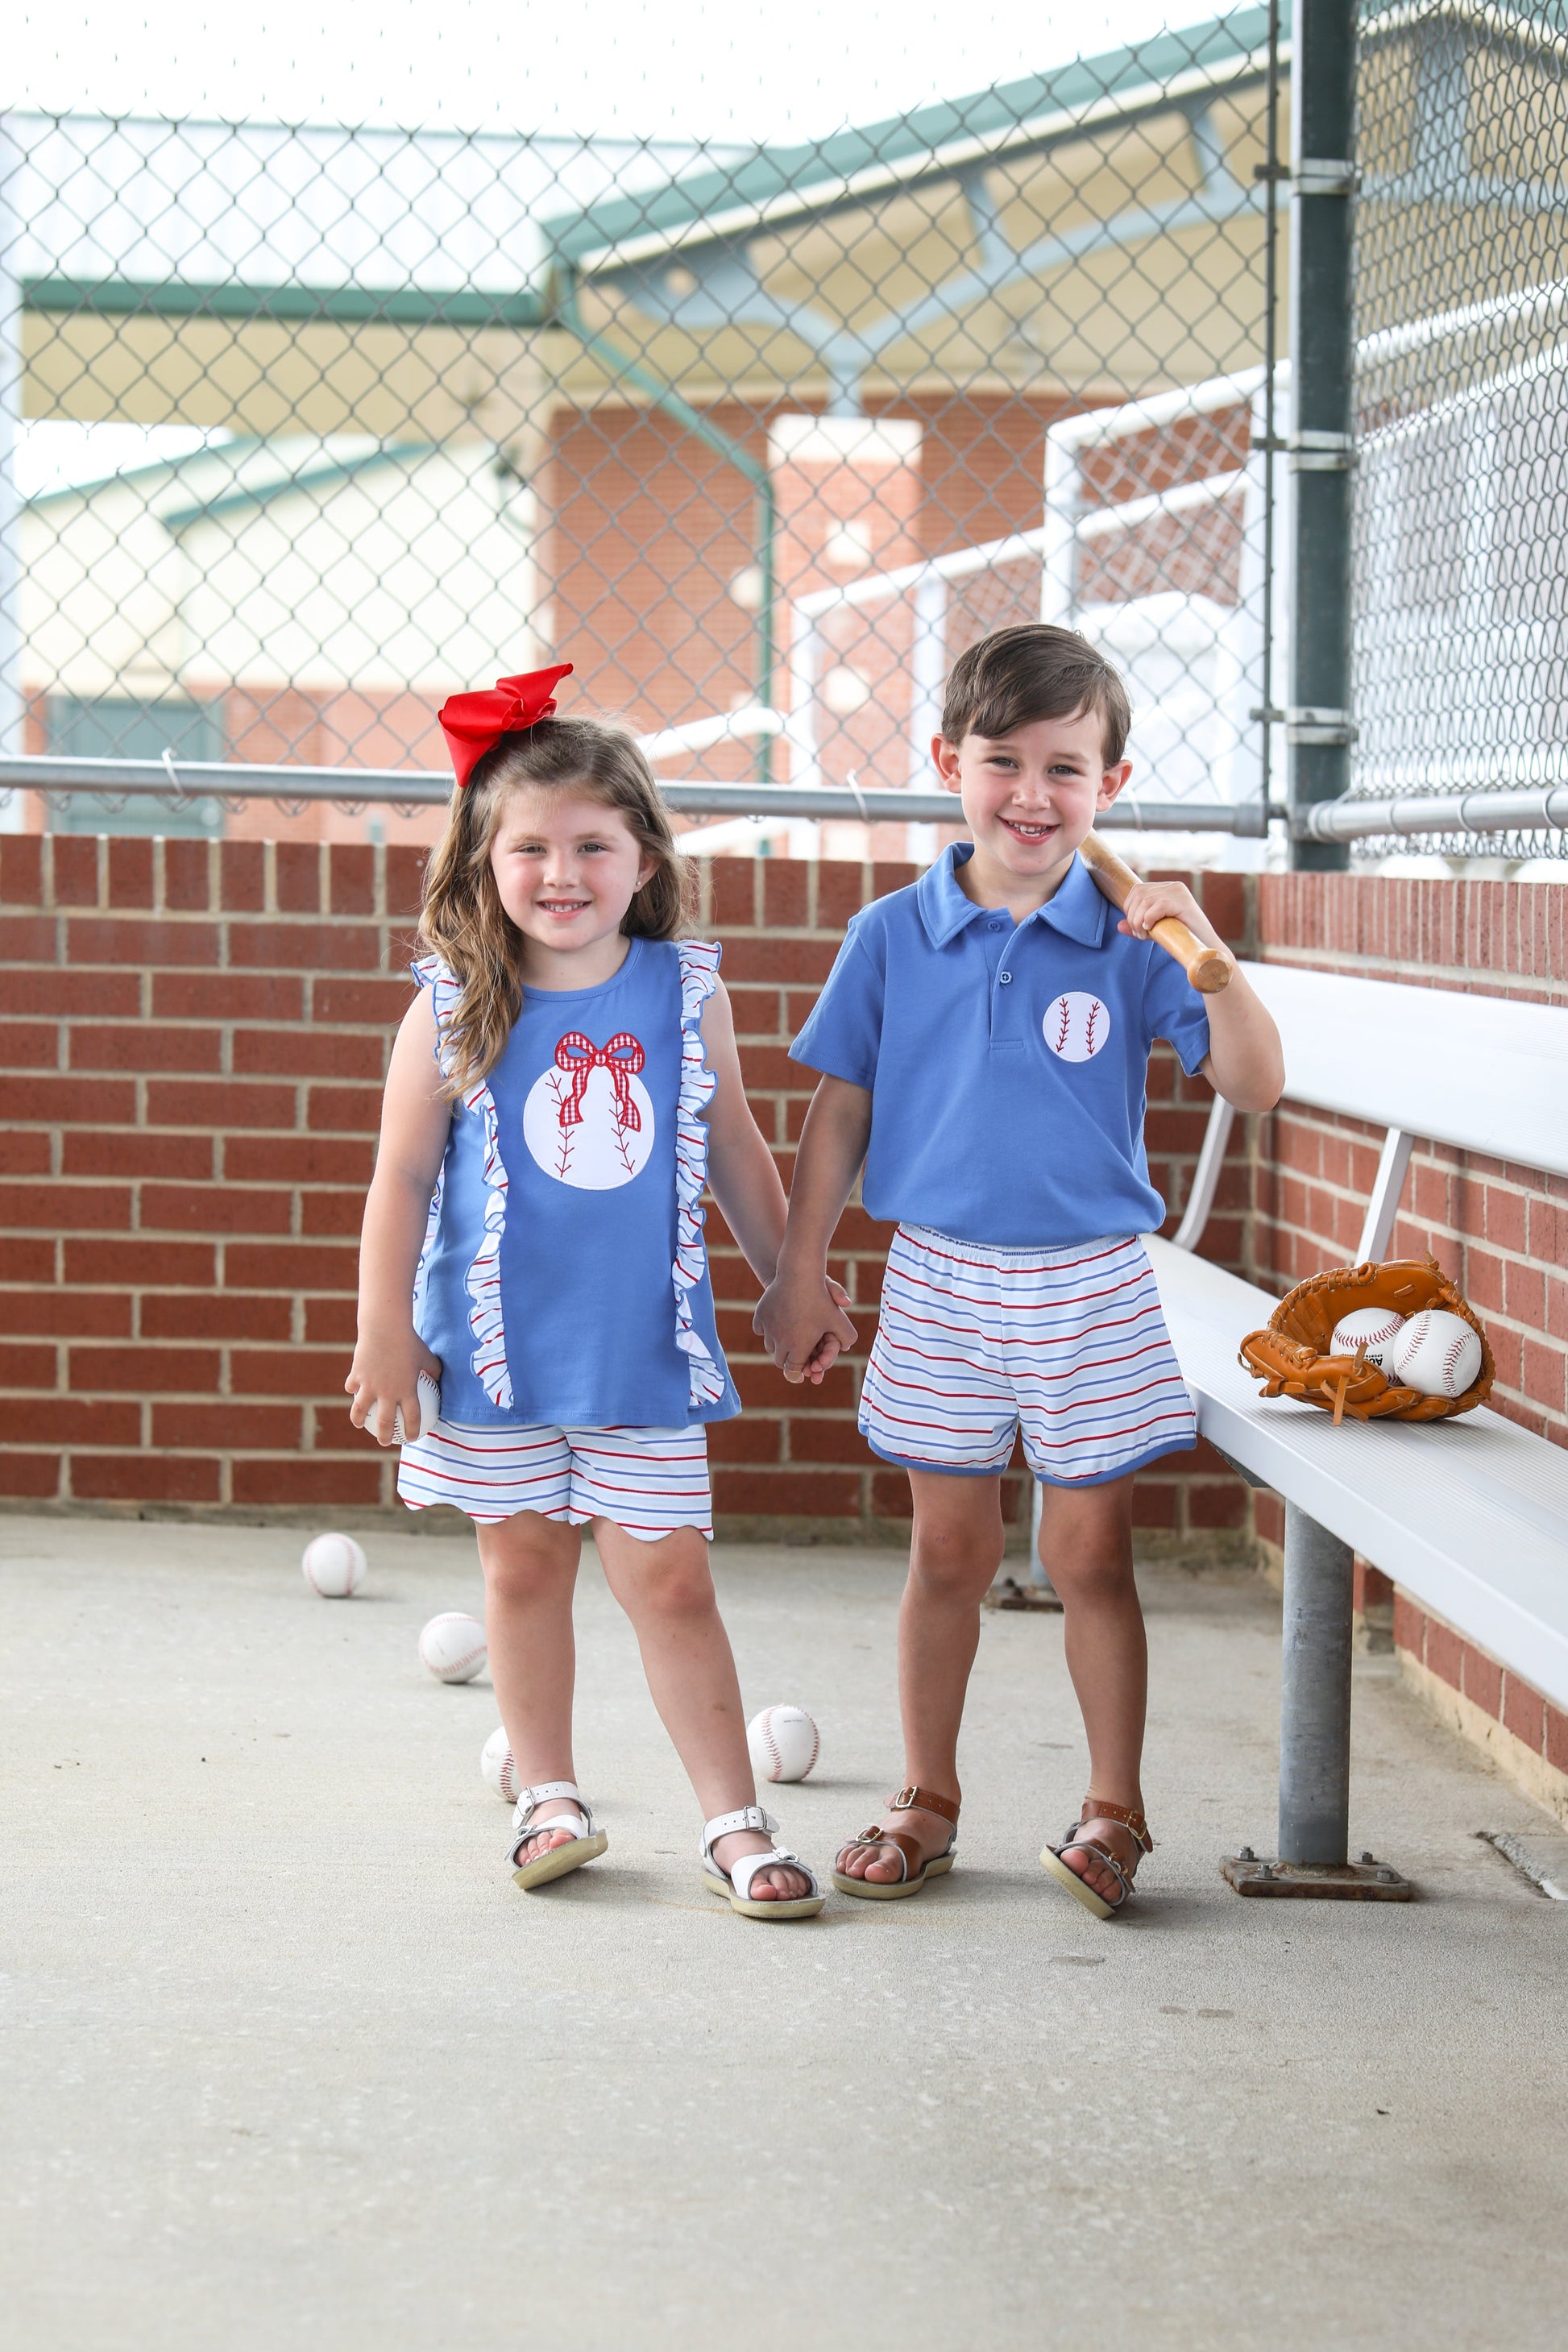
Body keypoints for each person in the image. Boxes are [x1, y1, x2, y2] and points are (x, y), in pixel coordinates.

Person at [755, 624, 1284, 1919]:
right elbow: (839, 1114)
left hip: (1089, 1284)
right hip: (938, 1277)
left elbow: (1258, 1086)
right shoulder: (891, 933)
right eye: (1003, 762)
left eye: (1067, 768)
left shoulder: (1130, 939)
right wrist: (799, 1267)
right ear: (950, 761)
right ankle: (927, 1797)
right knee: (947, 1552)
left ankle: (1115, 1809)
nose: (1032, 796)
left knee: (1088, 1553)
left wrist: (1197, 944)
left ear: (1107, 785)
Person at [347, 664, 836, 1921]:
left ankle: (733, 1821)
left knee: (669, 1577)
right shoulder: (451, 1006)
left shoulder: (682, 992)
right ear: (481, 860)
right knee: (519, 1573)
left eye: (591, 846)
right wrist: (383, 1332)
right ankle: (548, 1797)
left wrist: (791, 1277)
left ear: (645, 859)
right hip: (495, 1358)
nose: (562, 874)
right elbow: (401, 1179)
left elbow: (732, 1145)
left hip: (639, 1353)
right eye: (532, 849)